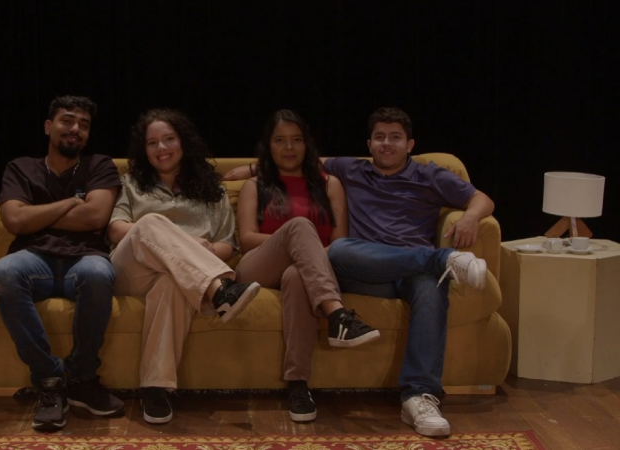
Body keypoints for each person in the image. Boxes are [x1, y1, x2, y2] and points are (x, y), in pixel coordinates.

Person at [224, 107, 494, 437]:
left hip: (410, 272)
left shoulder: (429, 175)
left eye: (395, 138)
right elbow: (298, 164)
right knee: (339, 249)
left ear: (410, 144)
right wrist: (255, 167)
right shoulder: (352, 170)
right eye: (379, 137)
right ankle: (442, 260)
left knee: (430, 288)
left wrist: (470, 217)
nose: (386, 144)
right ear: (369, 144)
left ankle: (419, 396)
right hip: (361, 268)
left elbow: (482, 199)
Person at [108, 109, 260, 425]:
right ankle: (219, 290)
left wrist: (202, 250)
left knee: (172, 282)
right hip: (133, 270)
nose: (161, 148)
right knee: (150, 223)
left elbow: (228, 245)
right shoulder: (131, 183)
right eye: (152, 143)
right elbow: (117, 229)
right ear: (143, 149)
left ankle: (155, 387)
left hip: (182, 276)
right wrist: (185, 241)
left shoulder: (212, 189)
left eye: (169, 139)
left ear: (183, 142)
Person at [233, 110, 380, 423]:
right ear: (268, 146)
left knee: (298, 275)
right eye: (280, 140)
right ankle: (337, 315)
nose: (289, 147)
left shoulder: (330, 185)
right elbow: (246, 239)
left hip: (313, 270)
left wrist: (306, 256)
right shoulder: (255, 185)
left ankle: (298, 385)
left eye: (296, 140)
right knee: (300, 226)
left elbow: (339, 242)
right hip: (259, 266)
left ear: (307, 144)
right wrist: (296, 243)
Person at [0, 95, 125, 432]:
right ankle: (49, 381)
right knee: (5, 272)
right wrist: (70, 203)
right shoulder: (20, 168)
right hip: (34, 258)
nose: (76, 128)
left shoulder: (100, 165)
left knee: (98, 273)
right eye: (67, 120)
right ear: (48, 126)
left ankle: (82, 378)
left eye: (84, 125)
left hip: (85, 257)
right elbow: (15, 221)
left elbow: (96, 216)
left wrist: (35, 215)